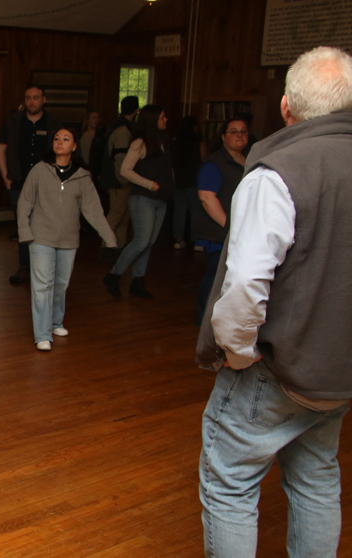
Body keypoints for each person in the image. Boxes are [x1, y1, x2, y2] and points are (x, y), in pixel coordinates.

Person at [195, 46, 352, 558]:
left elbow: (243, 287)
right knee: (317, 479)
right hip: (338, 370)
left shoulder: (276, 173)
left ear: (286, 107)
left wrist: (239, 354)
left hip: (278, 368)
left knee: (229, 483)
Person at [17, 127, 116, 352]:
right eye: (56, 138)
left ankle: (55, 323)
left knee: (60, 285)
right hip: (40, 237)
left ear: (74, 146)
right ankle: (42, 335)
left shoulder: (82, 176)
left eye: (66, 139)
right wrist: (25, 232)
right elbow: (24, 202)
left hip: (69, 240)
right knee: (42, 286)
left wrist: (109, 238)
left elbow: (93, 211)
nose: (59, 142)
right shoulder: (40, 171)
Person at [102, 104, 173, 299]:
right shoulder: (139, 143)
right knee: (141, 241)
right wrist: (149, 184)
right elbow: (125, 170)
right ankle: (114, 275)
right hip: (144, 199)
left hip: (161, 200)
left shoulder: (164, 141)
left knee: (149, 243)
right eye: (162, 116)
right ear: (152, 120)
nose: (166, 120)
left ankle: (137, 281)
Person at [0, 84, 63, 284]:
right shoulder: (13, 121)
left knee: (46, 225)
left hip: (47, 184)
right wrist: (6, 177)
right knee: (24, 226)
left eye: (35, 98)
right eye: (28, 98)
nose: (31, 102)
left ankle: (44, 266)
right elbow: (1, 150)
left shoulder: (54, 122)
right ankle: (24, 267)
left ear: (44, 99)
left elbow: (63, 151)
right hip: (19, 182)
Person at [192, 118, 248, 325]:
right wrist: (230, 226)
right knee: (216, 275)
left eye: (243, 131)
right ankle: (204, 318)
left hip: (241, 229)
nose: (239, 135)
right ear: (224, 137)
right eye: (233, 132)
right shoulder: (214, 163)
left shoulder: (249, 161)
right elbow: (207, 197)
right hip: (219, 231)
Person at [98, 96, 139, 262]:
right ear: (136, 110)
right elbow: (120, 160)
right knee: (115, 216)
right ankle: (106, 246)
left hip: (119, 181)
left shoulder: (119, 127)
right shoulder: (123, 131)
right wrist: (124, 180)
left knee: (123, 216)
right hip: (119, 182)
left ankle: (118, 246)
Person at [170, 115, 203, 250]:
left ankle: (178, 240)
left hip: (177, 180)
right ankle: (198, 242)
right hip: (194, 180)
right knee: (196, 211)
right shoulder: (198, 140)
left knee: (179, 211)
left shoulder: (174, 141)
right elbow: (203, 158)